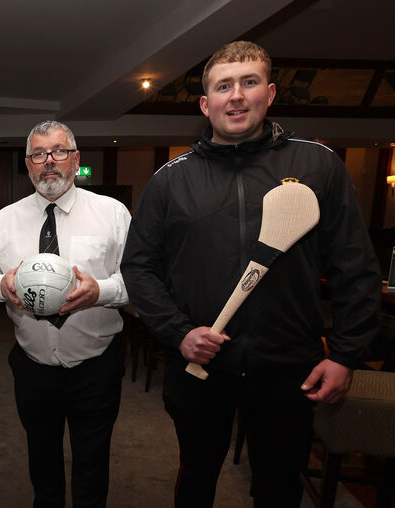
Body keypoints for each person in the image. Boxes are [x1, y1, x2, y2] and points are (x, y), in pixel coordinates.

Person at [122, 41, 381, 508]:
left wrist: (345, 354)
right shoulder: (171, 179)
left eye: (249, 82)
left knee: (279, 487)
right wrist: (179, 333)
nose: (236, 96)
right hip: (201, 367)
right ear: (206, 104)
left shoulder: (318, 165)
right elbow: (138, 268)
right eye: (223, 86)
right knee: (195, 477)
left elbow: (355, 266)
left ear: (270, 93)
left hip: (288, 368)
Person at [0, 120, 131, 507]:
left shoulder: (112, 213)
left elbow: (139, 280)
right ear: (27, 165)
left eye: (59, 151)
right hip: (33, 367)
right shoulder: (4, 220)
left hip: (96, 367)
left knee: (92, 468)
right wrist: (2, 285)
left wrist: (100, 291)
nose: (49, 161)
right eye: (38, 154)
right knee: (42, 464)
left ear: (76, 159)